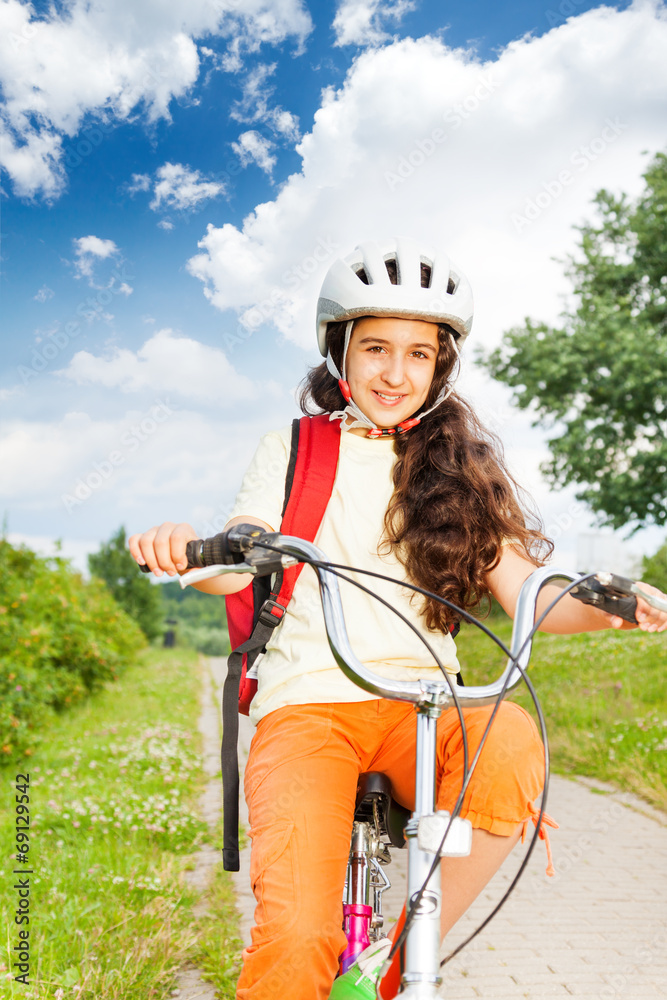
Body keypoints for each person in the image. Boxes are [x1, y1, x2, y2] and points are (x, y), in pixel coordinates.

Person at [129, 238, 667, 1000]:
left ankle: (404, 952)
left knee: (509, 736)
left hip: (429, 709)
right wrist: (183, 551)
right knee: (296, 937)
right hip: (309, 707)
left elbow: (530, 593)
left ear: (440, 367)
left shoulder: (457, 469)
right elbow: (242, 551)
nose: (394, 373)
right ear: (340, 352)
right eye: (375, 347)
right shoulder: (293, 447)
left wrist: (620, 608)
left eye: (418, 355)